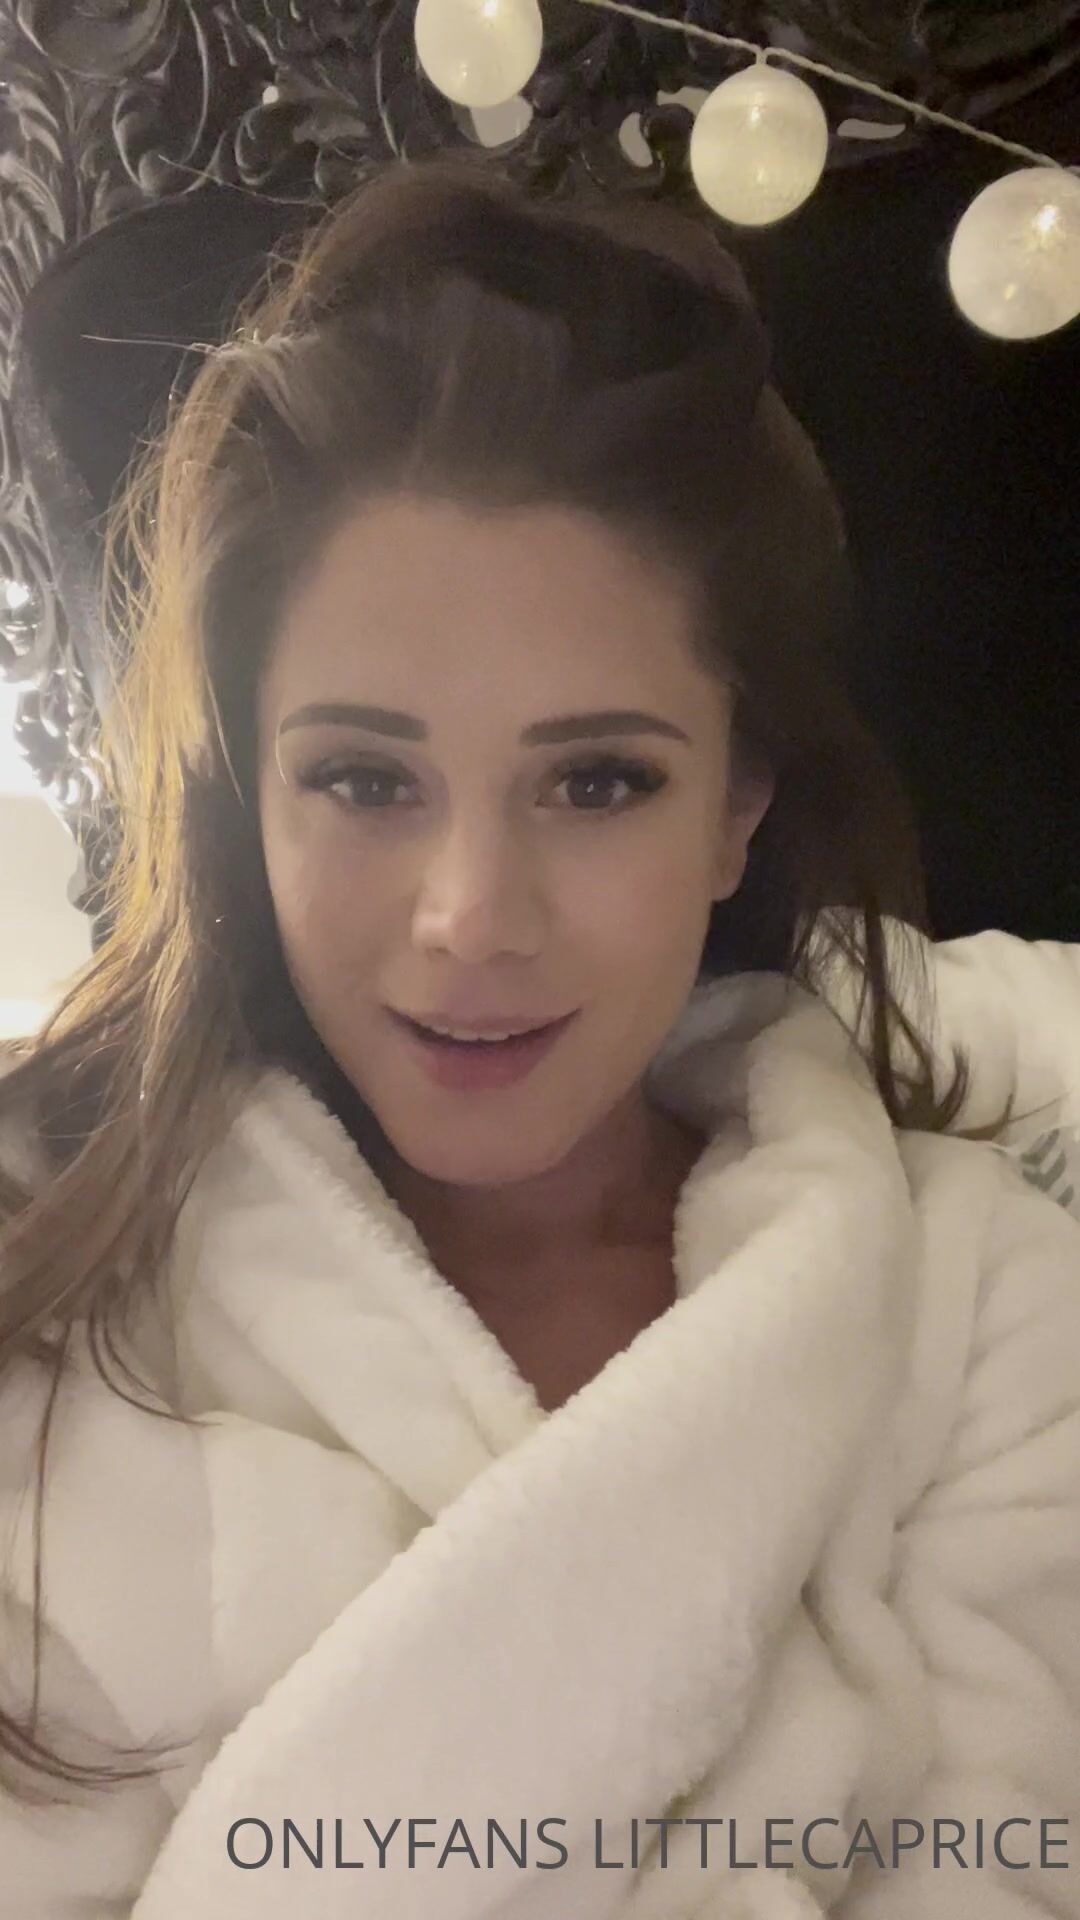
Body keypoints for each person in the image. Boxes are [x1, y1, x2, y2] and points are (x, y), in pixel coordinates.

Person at [0, 156, 1078, 1920]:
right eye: (366, 780)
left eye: (597, 783)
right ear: (246, 799)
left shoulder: (991, 1312)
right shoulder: (46, 1274)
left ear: (736, 809)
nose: (471, 917)